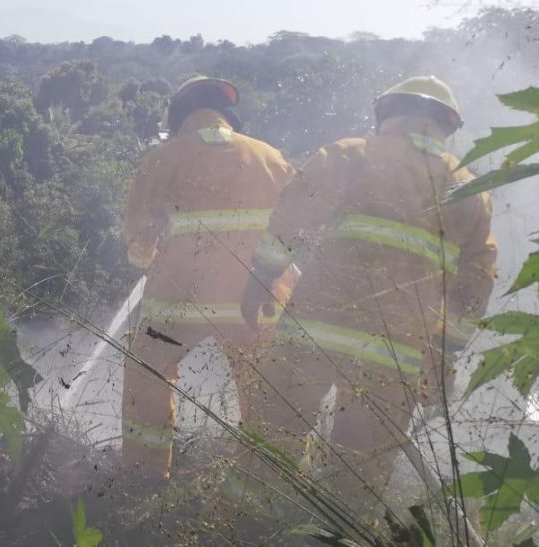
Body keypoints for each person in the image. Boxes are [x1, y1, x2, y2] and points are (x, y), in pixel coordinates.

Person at [239, 76, 497, 509]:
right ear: (446, 126)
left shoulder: (348, 155)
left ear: (387, 113)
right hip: (395, 352)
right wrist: (443, 353)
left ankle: (248, 534)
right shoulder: (470, 192)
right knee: (359, 478)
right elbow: (476, 284)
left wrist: (262, 276)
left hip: (312, 333)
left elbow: (290, 219)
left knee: (270, 444)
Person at [121, 75, 295, 479]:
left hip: (179, 296)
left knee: (147, 372)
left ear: (180, 116)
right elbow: (296, 229)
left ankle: (143, 483)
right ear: (227, 114)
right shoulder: (271, 157)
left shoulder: (162, 158)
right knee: (267, 392)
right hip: (256, 297)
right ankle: (271, 490)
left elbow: (139, 241)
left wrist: (145, 256)